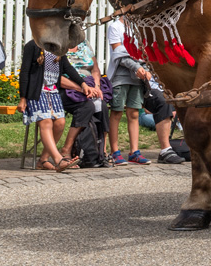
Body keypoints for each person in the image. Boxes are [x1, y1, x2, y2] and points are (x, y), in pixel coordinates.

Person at [18, 39, 93, 172]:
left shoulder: (59, 46)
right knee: (46, 122)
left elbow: (68, 68)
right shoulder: (33, 45)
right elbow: (24, 71)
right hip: (36, 92)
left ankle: (43, 160)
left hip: (52, 92)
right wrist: (23, 98)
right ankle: (58, 160)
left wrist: (82, 83)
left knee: (60, 123)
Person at [105, 18, 151, 165]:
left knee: (134, 113)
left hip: (138, 77)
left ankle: (134, 151)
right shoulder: (115, 27)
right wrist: (136, 67)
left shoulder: (139, 26)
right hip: (120, 76)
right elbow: (118, 53)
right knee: (117, 112)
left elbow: (146, 52)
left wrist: (146, 70)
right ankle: (115, 151)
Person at [59, 40, 109, 168]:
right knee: (86, 107)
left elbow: (95, 69)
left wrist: (97, 87)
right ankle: (67, 150)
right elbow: (56, 77)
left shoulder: (84, 45)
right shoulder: (59, 47)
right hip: (67, 89)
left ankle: (101, 151)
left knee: (102, 106)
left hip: (89, 87)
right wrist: (81, 88)